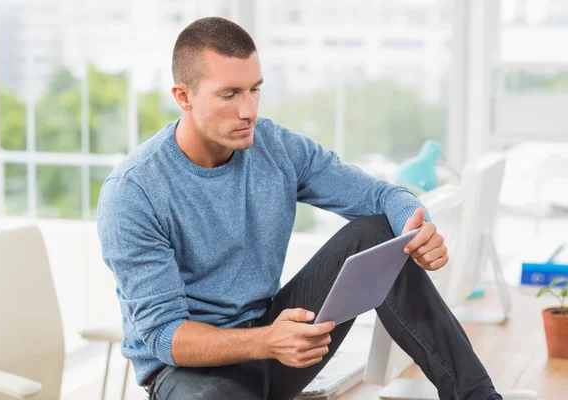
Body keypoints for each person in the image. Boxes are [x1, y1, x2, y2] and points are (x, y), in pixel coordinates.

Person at [97, 16, 501, 400]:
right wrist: (264, 341)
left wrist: (416, 227)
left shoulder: (276, 147)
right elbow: (166, 336)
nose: (249, 111)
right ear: (183, 96)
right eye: (230, 94)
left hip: (278, 344)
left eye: (255, 89)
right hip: (192, 373)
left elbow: (381, 197)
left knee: (379, 232)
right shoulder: (134, 192)